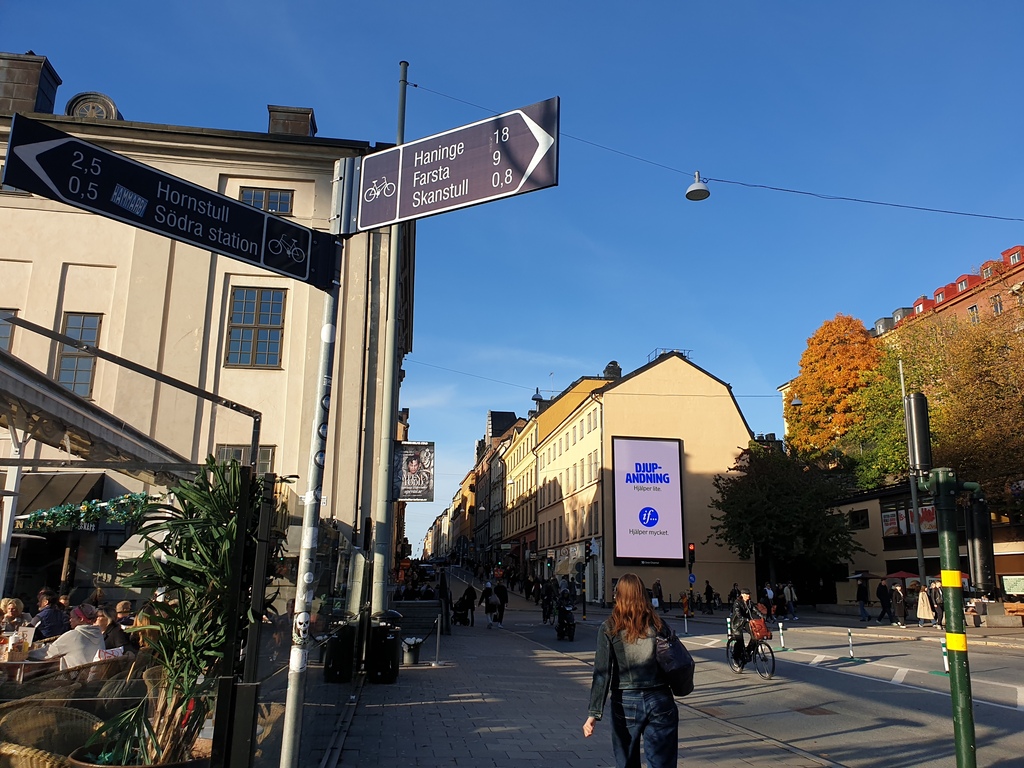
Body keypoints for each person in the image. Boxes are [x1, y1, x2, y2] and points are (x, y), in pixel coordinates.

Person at [583, 573, 678, 768]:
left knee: (626, 762)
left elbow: (602, 673)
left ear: (618, 596)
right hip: (661, 699)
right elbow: (674, 659)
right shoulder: (659, 624)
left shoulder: (610, 627)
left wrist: (593, 714)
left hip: (626, 701)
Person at [33, 603, 104, 669]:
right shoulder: (99, 634)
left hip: (74, 678)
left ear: (81, 619)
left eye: (72, 617)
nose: (69, 620)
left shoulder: (74, 635)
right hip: (92, 676)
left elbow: (47, 653)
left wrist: (26, 654)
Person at [730, 588, 766, 667]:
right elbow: (738, 614)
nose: (748, 596)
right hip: (737, 624)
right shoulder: (737, 603)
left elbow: (755, 610)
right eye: (747, 594)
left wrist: (762, 616)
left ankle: (748, 650)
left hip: (746, 622)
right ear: (742, 595)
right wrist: (745, 618)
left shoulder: (750, 603)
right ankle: (735, 657)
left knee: (755, 635)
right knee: (740, 641)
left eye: (749, 594)